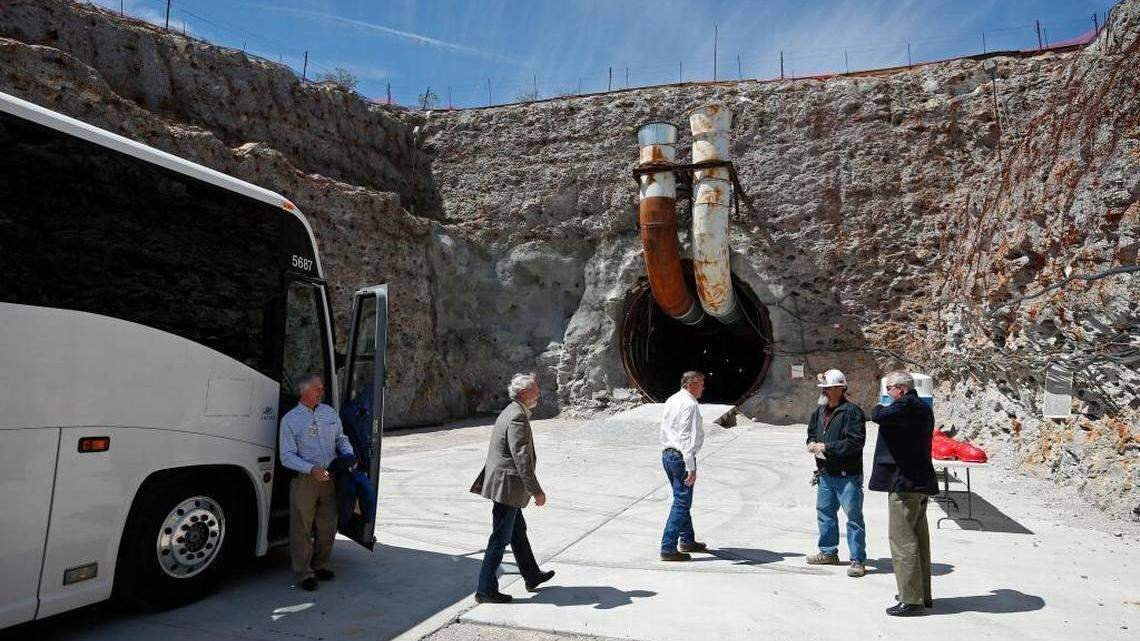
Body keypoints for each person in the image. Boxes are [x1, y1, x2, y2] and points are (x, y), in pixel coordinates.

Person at [469, 373, 556, 603]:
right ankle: (485, 589)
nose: (538, 392)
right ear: (524, 392)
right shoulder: (517, 417)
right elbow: (522, 459)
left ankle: (532, 575)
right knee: (500, 538)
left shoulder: (510, 411)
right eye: (535, 388)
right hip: (508, 487)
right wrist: (536, 490)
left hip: (504, 485)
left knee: (518, 533)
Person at [871, 371, 939, 617]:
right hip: (920, 483)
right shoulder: (922, 407)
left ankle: (911, 600)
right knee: (919, 541)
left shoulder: (905, 406)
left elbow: (878, 414)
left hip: (905, 485)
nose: (888, 394)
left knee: (902, 542)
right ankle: (922, 594)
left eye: (889, 389)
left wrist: (879, 405)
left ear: (900, 388)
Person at [279, 374, 354, 591]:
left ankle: (320, 565)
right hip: (305, 480)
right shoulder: (290, 420)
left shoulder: (329, 413)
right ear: (302, 392)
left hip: (330, 477)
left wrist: (348, 455)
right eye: (316, 389)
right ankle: (304, 573)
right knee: (301, 526)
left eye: (321, 389)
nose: (321, 392)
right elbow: (287, 455)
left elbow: (341, 438)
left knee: (328, 523)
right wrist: (311, 469)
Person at [805, 369, 868, 577]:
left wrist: (826, 447)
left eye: (828, 388)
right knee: (825, 514)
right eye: (823, 388)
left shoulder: (852, 412)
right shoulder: (819, 412)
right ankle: (828, 552)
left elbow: (855, 443)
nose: (824, 391)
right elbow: (812, 432)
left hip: (847, 475)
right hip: (825, 473)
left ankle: (857, 560)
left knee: (853, 518)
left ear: (841, 389)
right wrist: (812, 442)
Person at [659, 370, 709, 561]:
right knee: (681, 502)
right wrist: (691, 465)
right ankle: (668, 548)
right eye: (701, 383)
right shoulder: (689, 404)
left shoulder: (672, 399)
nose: (703, 387)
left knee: (681, 499)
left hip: (668, 454)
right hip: (681, 457)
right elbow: (685, 435)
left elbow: (665, 429)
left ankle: (687, 540)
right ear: (691, 383)